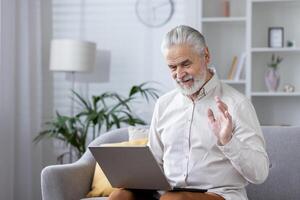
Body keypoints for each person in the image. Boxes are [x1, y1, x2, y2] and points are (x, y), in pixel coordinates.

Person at [109, 25, 269, 200]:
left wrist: (228, 141)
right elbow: (155, 159)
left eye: (185, 64)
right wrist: (132, 175)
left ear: (206, 55)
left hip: (218, 193)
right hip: (168, 193)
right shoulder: (164, 104)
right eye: (172, 67)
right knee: (120, 195)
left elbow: (260, 173)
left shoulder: (237, 104)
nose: (179, 74)